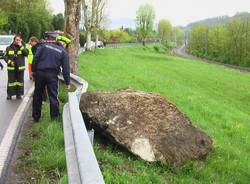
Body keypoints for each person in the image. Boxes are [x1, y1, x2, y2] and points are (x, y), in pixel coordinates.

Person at [32, 35, 71, 122]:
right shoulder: (63, 52)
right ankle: (54, 119)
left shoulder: (44, 45)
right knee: (53, 97)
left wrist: (34, 71)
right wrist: (67, 82)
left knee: (37, 95)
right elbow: (66, 69)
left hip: (40, 74)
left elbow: (35, 58)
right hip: (52, 76)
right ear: (64, 44)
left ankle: (36, 117)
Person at [4, 35, 28, 100]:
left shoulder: (22, 47)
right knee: (11, 82)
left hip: (20, 68)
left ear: (21, 40)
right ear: (14, 40)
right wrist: (9, 62)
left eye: (19, 40)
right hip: (11, 68)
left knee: (20, 82)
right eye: (16, 40)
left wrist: (21, 46)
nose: (17, 41)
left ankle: (19, 94)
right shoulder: (8, 48)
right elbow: (5, 57)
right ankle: (9, 95)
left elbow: (26, 53)